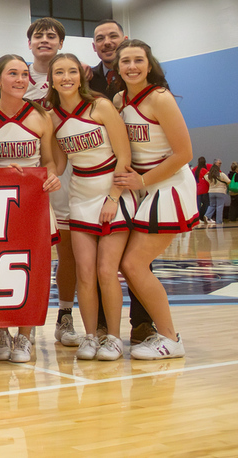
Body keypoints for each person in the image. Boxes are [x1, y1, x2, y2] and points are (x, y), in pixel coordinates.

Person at [112, 40, 196, 360]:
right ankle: (165, 334)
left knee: (133, 264)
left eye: (138, 60)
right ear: (117, 68)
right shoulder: (120, 99)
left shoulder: (160, 98)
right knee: (133, 264)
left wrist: (143, 180)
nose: (132, 66)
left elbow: (184, 153)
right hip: (146, 189)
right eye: (126, 61)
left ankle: (170, 338)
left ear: (149, 65)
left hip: (169, 187)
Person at [47, 53, 133, 362]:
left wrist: (113, 197)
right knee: (84, 273)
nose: (66, 77)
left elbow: (125, 157)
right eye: (59, 72)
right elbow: (57, 164)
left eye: (72, 71)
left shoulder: (101, 106)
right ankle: (90, 336)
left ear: (82, 76)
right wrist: (33, 175)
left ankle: (112, 337)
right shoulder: (52, 116)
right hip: (80, 197)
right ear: (51, 78)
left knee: (106, 271)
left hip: (112, 194)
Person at [0, 55, 61, 363]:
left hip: (33, 203)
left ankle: (26, 334)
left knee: (34, 272)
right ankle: (0, 329)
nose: (21, 79)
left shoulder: (40, 116)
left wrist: (51, 176)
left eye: (25, 74)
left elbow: (50, 161)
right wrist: (0, 175)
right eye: (13, 73)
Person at [23, 18, 81, 347]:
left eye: (51, 36)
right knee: (25, 252)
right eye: (38, 35)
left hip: (65, 173)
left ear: (61, 43)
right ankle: (16, 320)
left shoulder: (73, 74)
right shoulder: (13, 74)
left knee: (68, 251)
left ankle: (65, 314)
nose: (44, 40)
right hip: (26, 177)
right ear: (29, 42)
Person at [88, 19, 126, 97]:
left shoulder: (140, 76)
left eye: (113, 36)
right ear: (94, 47)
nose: (107, 42)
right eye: (100, 39)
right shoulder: (88, 78)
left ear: (125, 41)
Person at [202, 161, 231, 226]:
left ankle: (207, 215)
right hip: (220, 192)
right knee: (219, 207)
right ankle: (219, 221)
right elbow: (229, 181)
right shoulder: (222, 175)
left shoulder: (209, 176)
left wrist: (209, 172)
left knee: (211, 205)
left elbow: (204, 175)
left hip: (211, 192)